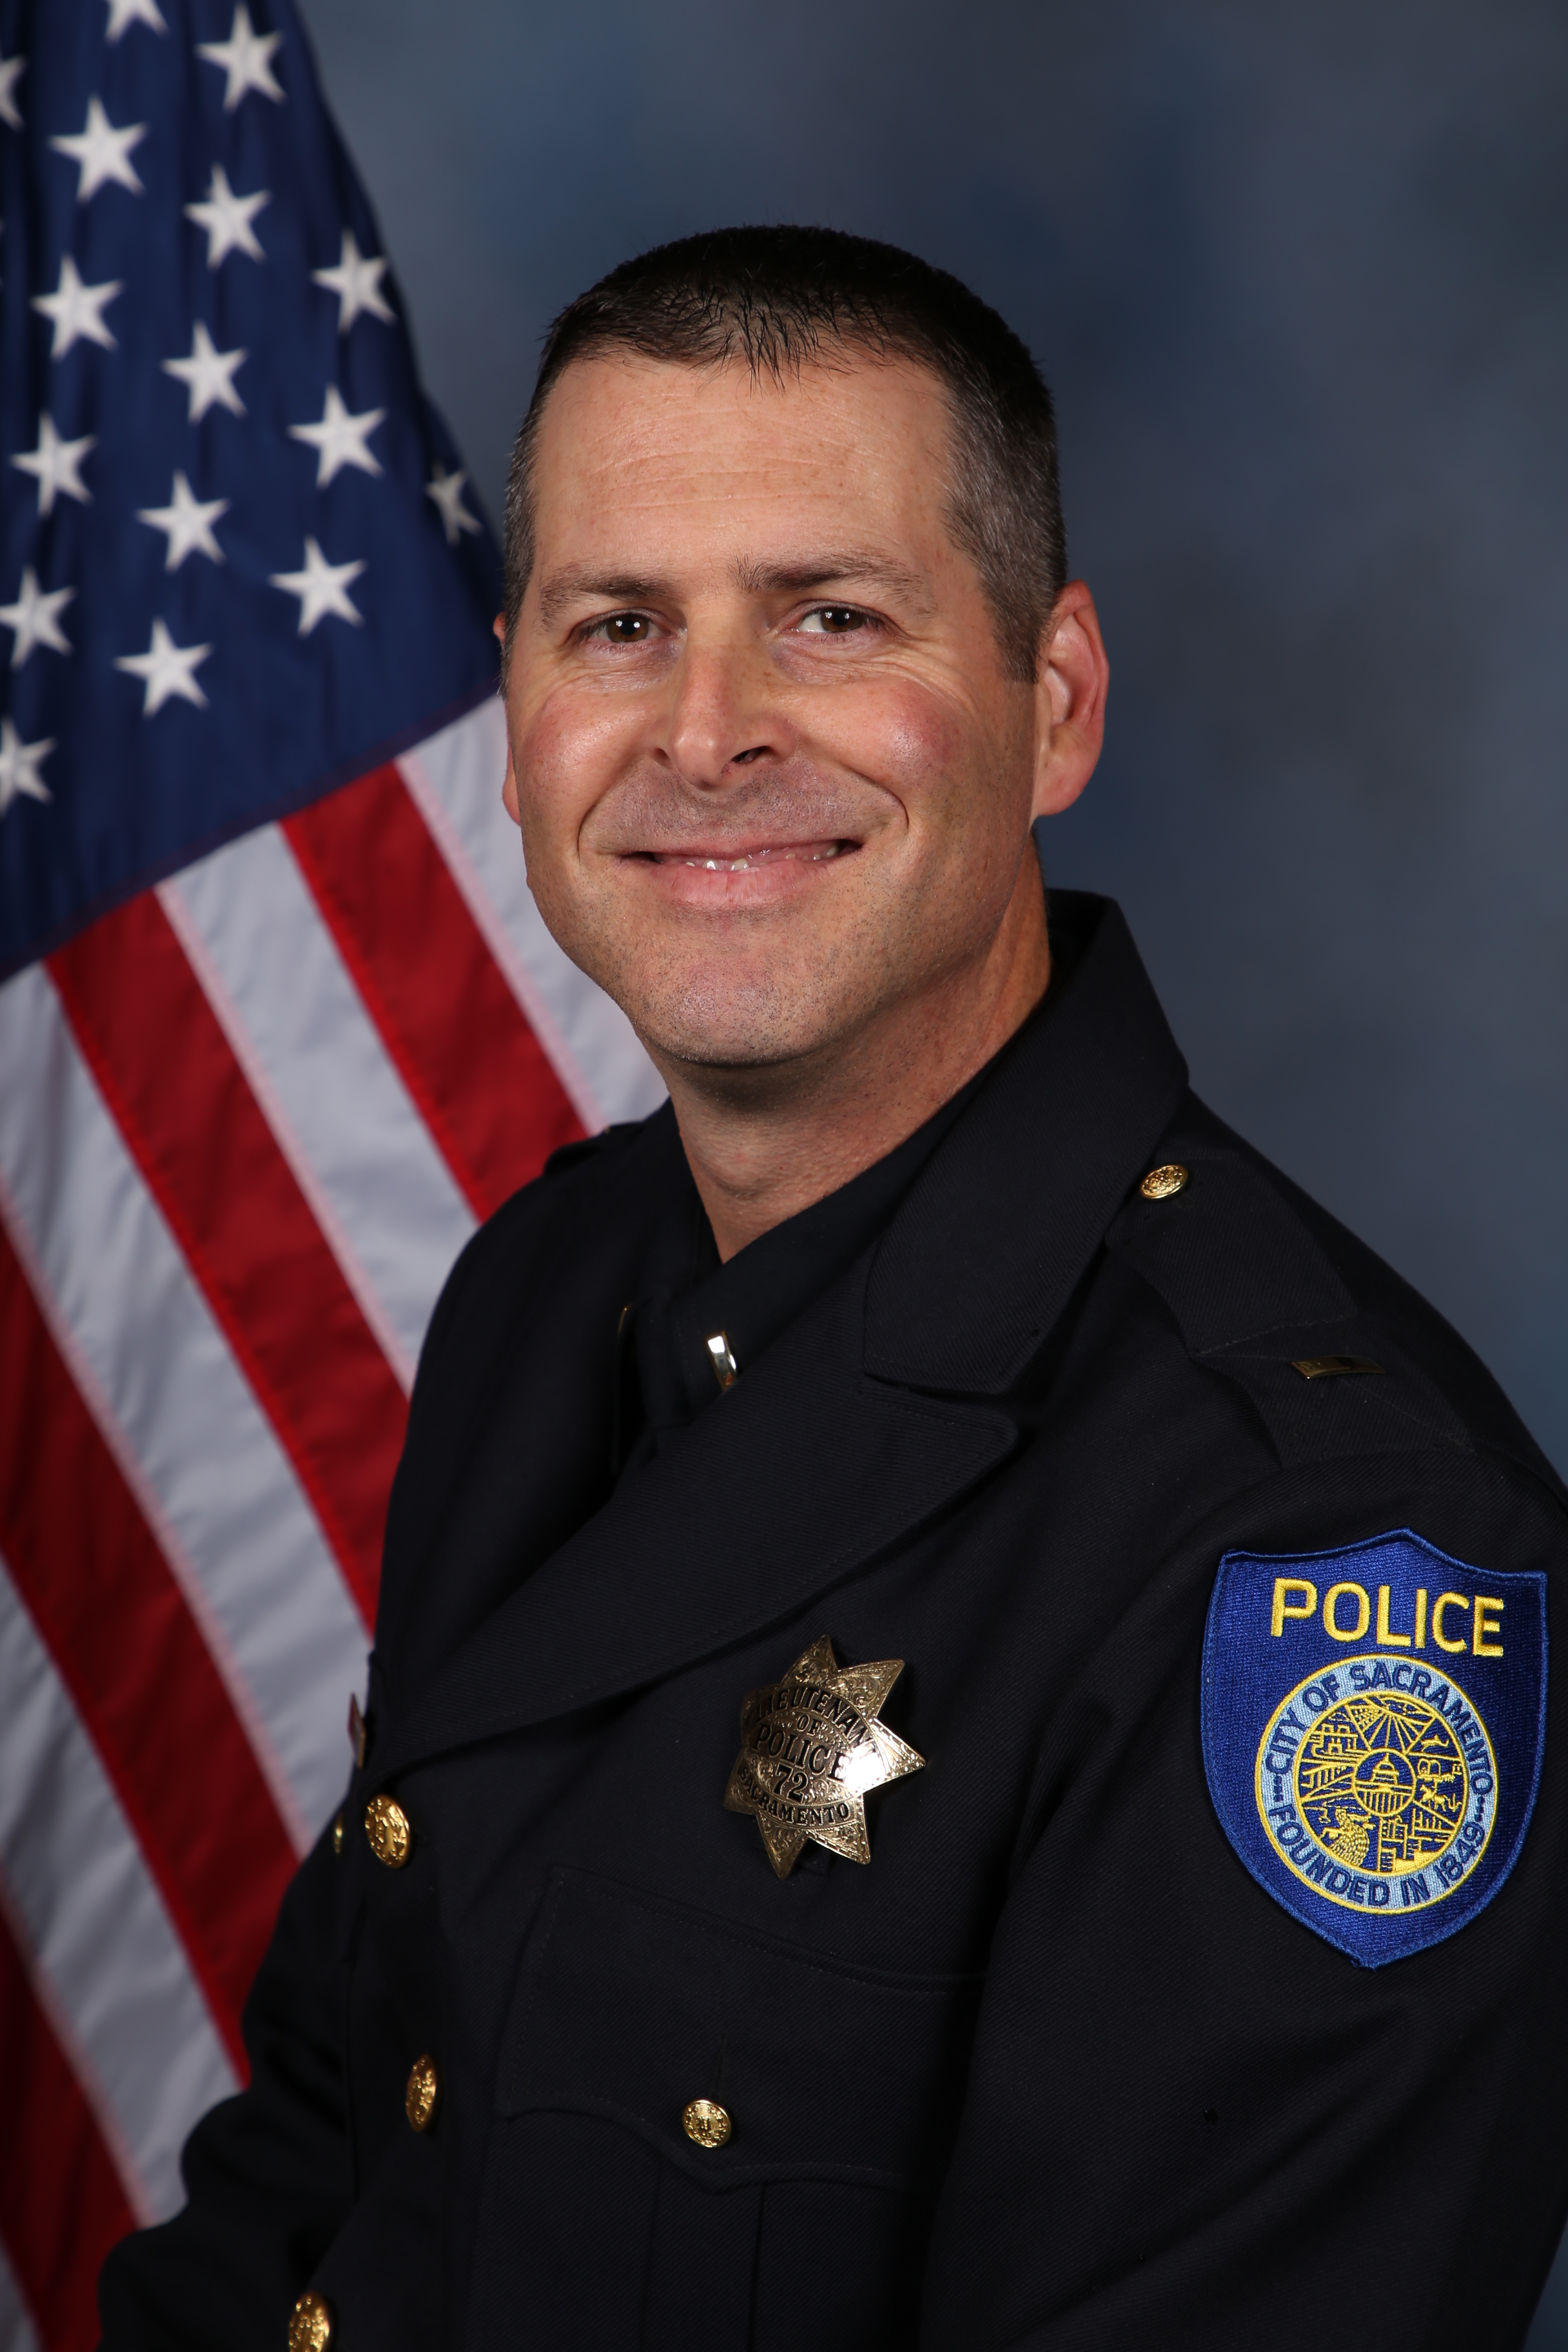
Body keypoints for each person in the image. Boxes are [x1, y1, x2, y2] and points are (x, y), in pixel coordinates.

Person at [101, 226, 1568, 2351]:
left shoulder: (1314, 1545)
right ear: (513, 721)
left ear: (1051, 704)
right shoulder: (546, 1293)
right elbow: (348, 2160)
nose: (706, 735)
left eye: (830, 617)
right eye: (620, 627)